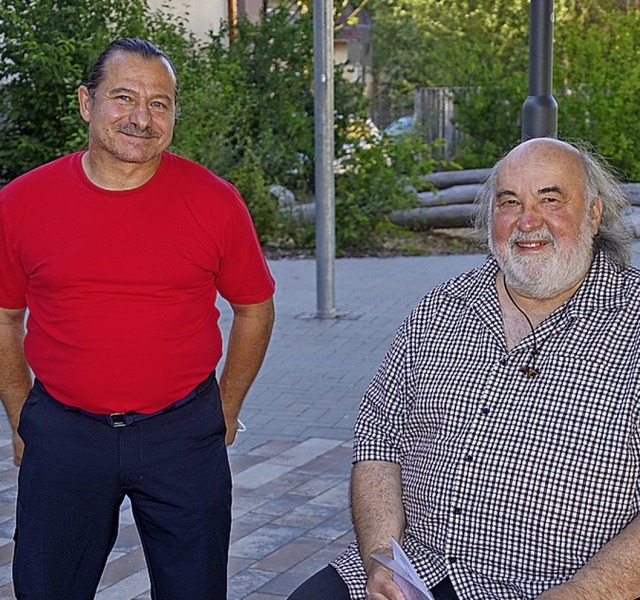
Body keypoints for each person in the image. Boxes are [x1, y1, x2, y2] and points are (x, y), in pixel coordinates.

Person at [288, 137, 640, 600]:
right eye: (509, 201)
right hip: (416, 568)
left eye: (550, 200)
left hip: (559, 585)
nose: (527, 221)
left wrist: (578, 595)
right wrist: (380, 558)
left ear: (593, 215)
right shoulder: (440, 309)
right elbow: (378, 438)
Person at [0, 38, 275, 599]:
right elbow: (5, 317)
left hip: (182, 433)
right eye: (123, 97)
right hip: (64, 432)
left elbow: (254, 308)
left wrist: (224, 408)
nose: (141, 118)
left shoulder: (215, 201)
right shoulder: (21, 202)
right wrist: (21, 416)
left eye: (159, 103)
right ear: (86, 102)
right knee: (45, 588)